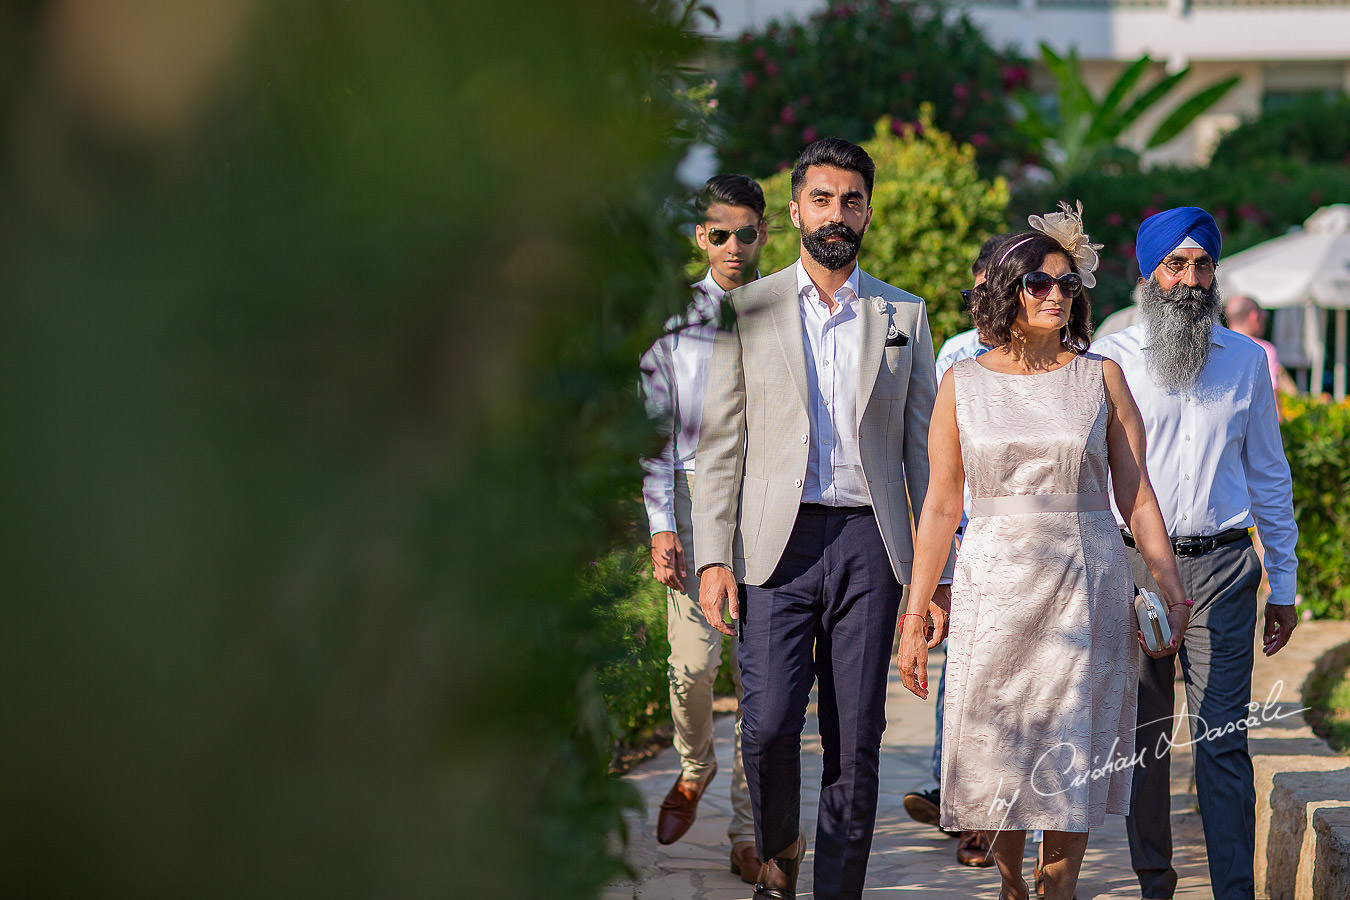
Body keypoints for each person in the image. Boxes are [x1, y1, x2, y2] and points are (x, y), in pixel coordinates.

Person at [896, 201, 1191, 900]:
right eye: (1038, 283)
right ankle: (1010, 881)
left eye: (1066, 283)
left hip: (1086, 586)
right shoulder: (961, 382)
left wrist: (1170, 586)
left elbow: (1138, 494)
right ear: (1006, 292)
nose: (1056, 294)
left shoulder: (1102, 377)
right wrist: (914, 614)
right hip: (994, 584)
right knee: (995, 746)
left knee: (1073, 745)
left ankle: (1057, 886)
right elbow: (940, 504)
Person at [692, 137, 953, 900]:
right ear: (797, 208)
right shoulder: (749, 306)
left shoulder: (903, 313)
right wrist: (713, 557)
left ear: (867, 210)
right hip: (775, 546)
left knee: (857, 743)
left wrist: (933, 579)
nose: (836, 213)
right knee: (768, 726)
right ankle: (782, 843)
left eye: (851, 199)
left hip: (873, 544)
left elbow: (923, 453)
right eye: (821, 198)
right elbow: (719, 445)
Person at [1093, 207, 1300, 900]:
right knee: (1145, 744)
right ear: (1149, 274)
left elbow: (1270, 474)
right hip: (1134, 570)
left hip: (1223, 571)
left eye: (1201, 265)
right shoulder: (1111, 356)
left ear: (1216, 273)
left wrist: (1286, 582)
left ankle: (1233, 890)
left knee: (1223, 743)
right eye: (1174, 265)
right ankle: (1155, 883)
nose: (1188, 279)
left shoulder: (1245, 361)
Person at [639, 174, 767, 884]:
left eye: (745, 233)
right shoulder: (674, 325)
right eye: (719, 233)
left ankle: (749, 832)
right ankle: (694, 767)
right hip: (692, 497)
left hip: (770, 504)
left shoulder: (783, 311)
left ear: (763, 236)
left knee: (764, 678)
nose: (732, 246)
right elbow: (656, 435)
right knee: (692, 668)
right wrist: (662, 525)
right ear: (700, 236)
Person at [904, 232, 1012, 870]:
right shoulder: (955, 356)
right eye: (981, 289)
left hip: (1038, 544)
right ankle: (968, 811)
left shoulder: (1064, 357)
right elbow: (941, 470)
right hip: (970, 542)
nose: (987, 299)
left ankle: (997, 809)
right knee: (964, 680)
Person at [1225, 293, 1295, 402]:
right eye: (1263, 316)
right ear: (1254, 316)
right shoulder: (1263, 349)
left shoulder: (1217, 345)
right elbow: (1271, 396)